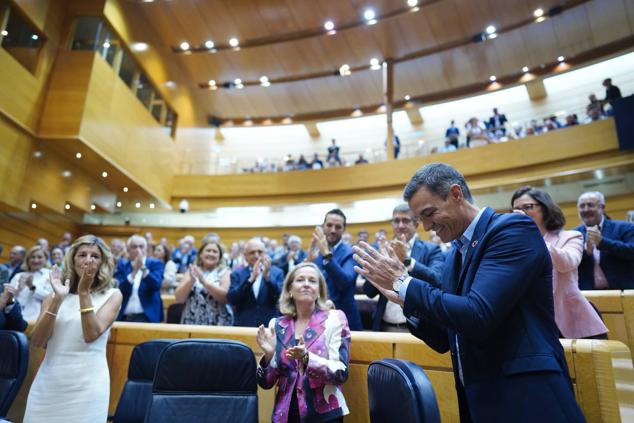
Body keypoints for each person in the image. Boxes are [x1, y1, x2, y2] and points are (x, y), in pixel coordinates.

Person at [353, 163, 584, 422]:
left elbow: (477, 314)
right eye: (421, 219)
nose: (427, 226)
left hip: (528, 398)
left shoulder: (512, 229)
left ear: (455, 194)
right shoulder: (455, 255)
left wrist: (404, 283)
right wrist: (405, 300)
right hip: (479, 400)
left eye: (429, 213)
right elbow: (446, 337)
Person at [24, 235, 122, 422]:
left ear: (103, 262)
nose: (88, 260)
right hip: (48, 383)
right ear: (73, 260)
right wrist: (57, 301)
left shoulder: (113, 295)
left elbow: (91, 334)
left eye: (95, 256)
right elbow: (37, 341)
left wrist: (84, 292)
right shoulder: (55, 295)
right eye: (82, 254)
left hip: (87, 386)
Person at [256, 262, 350, 423]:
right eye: (300, 280)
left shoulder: (334, 319)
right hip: (285, 414)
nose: (306, 284)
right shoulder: (277, 325)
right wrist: (269, 355)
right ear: (290, 290)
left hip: (323, 414)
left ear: (319, 291)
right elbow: (265, 383)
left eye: (312, 281)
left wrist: (307, 358)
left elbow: (341, 373)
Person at [511, 186, 608, 339]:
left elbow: (567, 263)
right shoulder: (514, 246)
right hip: (535, 324)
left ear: (545, 208)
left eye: (528, 207)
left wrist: (531, 235)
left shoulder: (571, 236)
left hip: (573, 321)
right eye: (516, 210)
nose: (522, 213)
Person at [364, 204, 445, 332]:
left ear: (416, 224)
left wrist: (407, 260)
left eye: (406, 220)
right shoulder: (383, 250)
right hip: (385, 325)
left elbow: (438, 280)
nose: (400, 225)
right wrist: (376, 267)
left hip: (420, 327)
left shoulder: (431, 249)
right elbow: (369, 292)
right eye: (396, 221)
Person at [307, 209, 362, 331]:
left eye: (338, 227)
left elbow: (345, 281)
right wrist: (307, 263)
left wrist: (326, 254)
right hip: (316, 318)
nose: (333, 230)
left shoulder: (352, 252)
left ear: (344, 229)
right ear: (323, 226)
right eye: (329, 225)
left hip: (345, 320)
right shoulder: (315, 252)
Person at [575, 191, 634, 290]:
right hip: (588, 297)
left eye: (590, 205)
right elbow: (567, 265)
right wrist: (585, 251)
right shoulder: (573, 234)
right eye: (582, 206)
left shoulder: (625, 227)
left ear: (602, 207)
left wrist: (603, 243)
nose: (585, 209)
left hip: (623, 293)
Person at [227, 238, 285, 327]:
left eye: (260, 252)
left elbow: (280, 297)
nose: (256, 255)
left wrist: (268, 278)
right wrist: (250, 279)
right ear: (245, 256)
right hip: (244, 326)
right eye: (252, 252)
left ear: (265, 254)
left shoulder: (277, 272)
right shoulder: (237, 274)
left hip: (270, 326)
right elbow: (232, 299)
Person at [175, 240, 232, 326]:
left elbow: (225, 297)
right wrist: (191, 281)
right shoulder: (192, 270)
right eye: (208, 250)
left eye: (215, 252)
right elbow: (179, 298)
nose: (211, 254)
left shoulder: (225, 272)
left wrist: (204, 282)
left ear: (219, 256)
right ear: (201, 254)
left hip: (218, 321)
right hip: (192, 320)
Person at [115, 235, 164, 322]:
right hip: (124, 317)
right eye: (134, 247)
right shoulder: (122, 265)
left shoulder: (155, 263)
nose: (138, 250)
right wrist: (133, 273)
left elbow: (156, 285)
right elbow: (118, 289)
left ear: (146, 249)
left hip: (147, 317)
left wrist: (143, 269)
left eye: (141, 246)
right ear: (128, 250)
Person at [8, 245, 52, 321]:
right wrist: (18, 290)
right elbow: (9, 300)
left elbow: (50, 298)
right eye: (33, 257)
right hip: (15, 317)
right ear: (28, 259)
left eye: (39, 257)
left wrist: (32, 287)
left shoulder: (50, 275)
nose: (36, 260)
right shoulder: (18, 276)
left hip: (36, 318)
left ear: (45, 259)